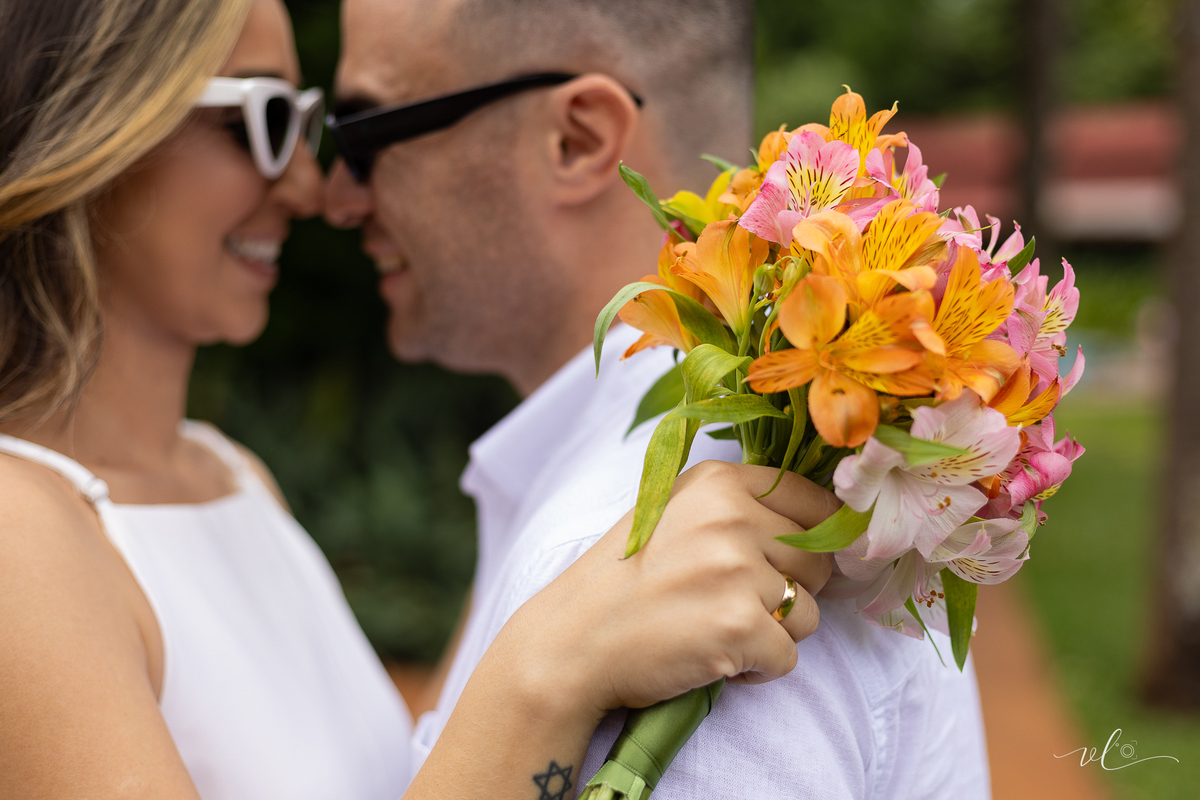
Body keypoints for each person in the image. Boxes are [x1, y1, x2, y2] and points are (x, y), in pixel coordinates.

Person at [0, 0, 842, 797]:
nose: (309, 188)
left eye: (309, 124)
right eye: (262, 123)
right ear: (94, 119)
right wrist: (545, 671)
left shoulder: (233, 477)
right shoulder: (18, 539)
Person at [324, 0, 993, 796]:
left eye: (363, 138)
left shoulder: (652, 563)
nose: (335, 198)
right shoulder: (652, 535)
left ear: (576, 141)